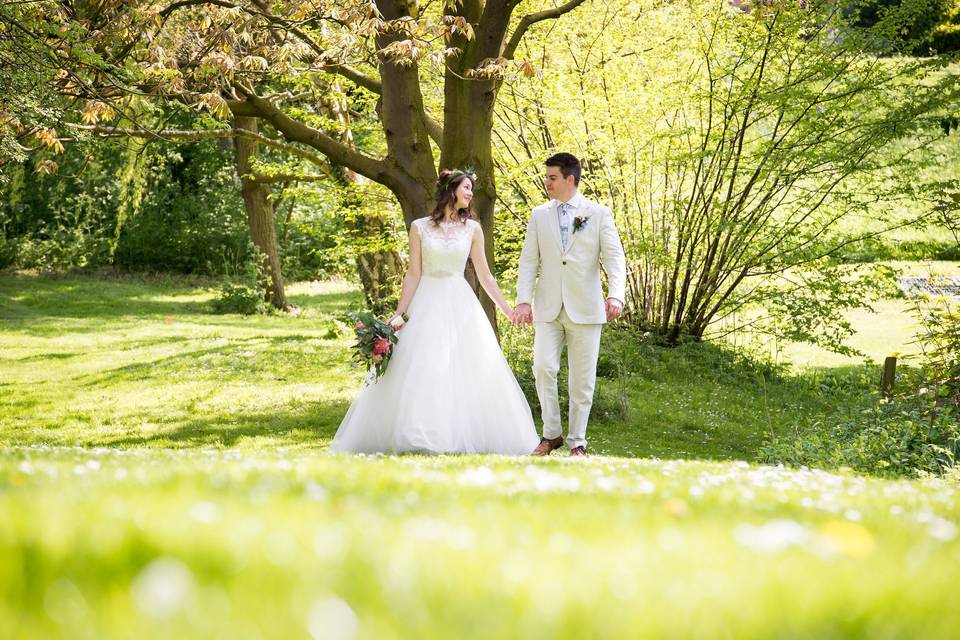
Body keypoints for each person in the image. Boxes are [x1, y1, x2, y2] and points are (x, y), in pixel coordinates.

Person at [331, 169, 540, 455]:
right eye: (466, 188)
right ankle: (420, 433)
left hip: (460, 302)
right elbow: (413, 273)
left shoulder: (473, 229)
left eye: (471, 190)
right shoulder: (419, 227)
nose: (470, 194)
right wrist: (399, 315)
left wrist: (507, 310)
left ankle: (464, 433)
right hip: (427, 300)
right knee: (423, 365)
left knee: (468, 367)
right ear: (451, 190)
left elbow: (485, 276)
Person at [513, 153, 627, 457]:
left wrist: (616, 295)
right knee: (543, 368)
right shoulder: (539, 215)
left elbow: (615, 258)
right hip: (548, 308)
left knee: (582, 380)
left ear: (570, 179)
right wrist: (523, 300)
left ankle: (578, 442)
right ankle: (551, 435)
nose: (547, 182)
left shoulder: (598, 213)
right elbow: (528, 261)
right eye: (547, 177)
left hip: (586, 309)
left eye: (552, 177)